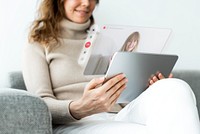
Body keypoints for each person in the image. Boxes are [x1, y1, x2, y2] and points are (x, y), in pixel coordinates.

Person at [22, 0, 200, 134]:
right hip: (77, 123)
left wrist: (149, 88)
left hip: (120, 114)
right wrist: (79, 107)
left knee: (174, 87)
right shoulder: (39, 43)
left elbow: (125, 94)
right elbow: (39, 104)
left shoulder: (108, 38)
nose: (86, 4)